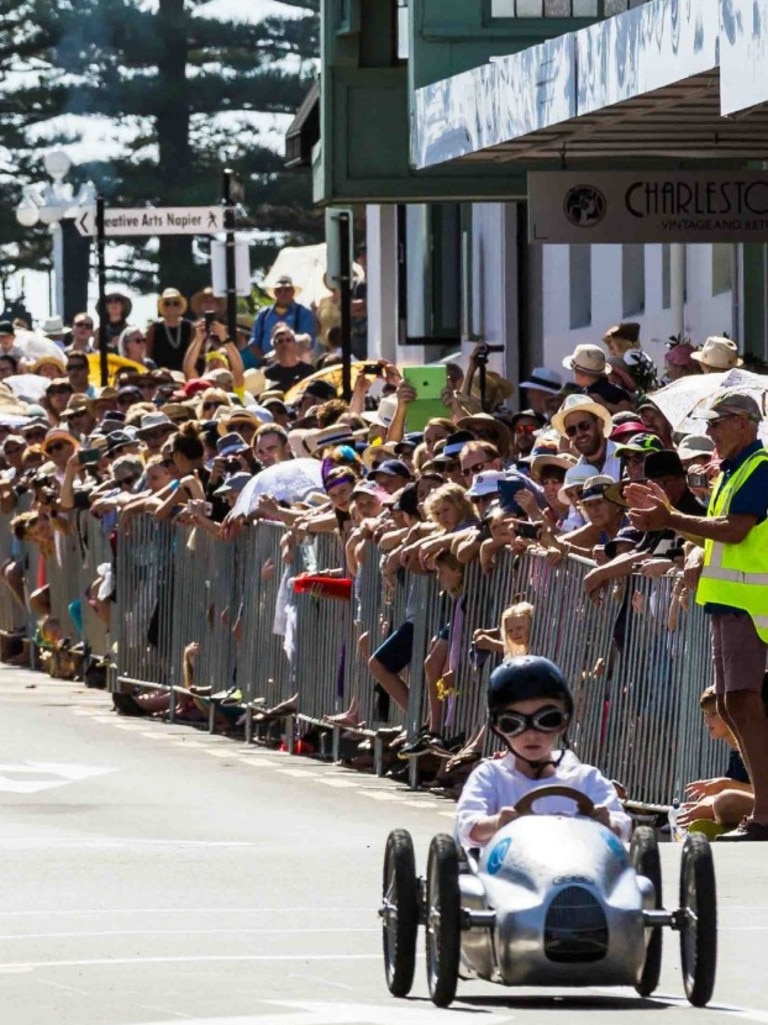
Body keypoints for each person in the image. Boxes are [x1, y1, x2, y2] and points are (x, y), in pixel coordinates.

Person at [627, 389, 768, 841]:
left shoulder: (759, 467)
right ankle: (762, 808)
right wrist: (688, 545)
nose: (709, 431)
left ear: (744, 423)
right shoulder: (732, 470)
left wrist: (670, 519)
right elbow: (719, 535)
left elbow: (735, 529)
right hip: (728, 604)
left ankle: (765, 813)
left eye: (717, 422)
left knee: (744, 701)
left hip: (752, 606)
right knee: (731, 703)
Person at [455, 656, 631, 848]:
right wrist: (496, 823)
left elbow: (622, 826)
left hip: (579, 871)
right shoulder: (490, 776)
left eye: (546, 720)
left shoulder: (586, 778)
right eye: (513, 724)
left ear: (563, 722)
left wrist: (607, 823)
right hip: (506, 873)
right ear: (498, 728)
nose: (531, 735)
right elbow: (467, 825)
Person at [679, 686, 753, 838]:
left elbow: (762, 792)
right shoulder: (735, 751)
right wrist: (706, 803)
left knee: (724, 802)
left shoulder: (754, 744)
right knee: (706, 799)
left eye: (713, 714)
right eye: (705, 714)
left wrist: (724, 785)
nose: (707, 720)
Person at [247, 276, 317, 365]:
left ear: (293, 292)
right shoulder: (263, 314)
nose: (283, 293)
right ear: (275, 293)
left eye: (287, 290)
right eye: (279, 290)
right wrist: (266, 360)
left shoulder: (304, 313)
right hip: (268, 365)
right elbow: (254, 343)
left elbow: (307, 343)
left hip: (296, 365)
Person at [145, 288, 193, 371]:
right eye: (167, 303)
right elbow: (148, 354)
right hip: (160, 374)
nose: (171, 306)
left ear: (180, 305)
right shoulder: (154, 327)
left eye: (176, 303)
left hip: (184, 373)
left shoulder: (189, 326)